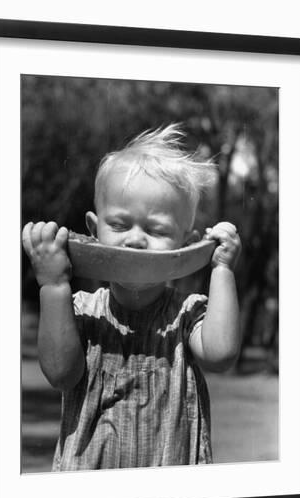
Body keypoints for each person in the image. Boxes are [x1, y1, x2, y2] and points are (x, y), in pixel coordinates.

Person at [22, 124, 242, 471]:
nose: (136, 240)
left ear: (186, 245)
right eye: (121, 226)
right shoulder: (80, 310)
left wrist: (222, 269)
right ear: (95, 232)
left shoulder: (187, 315)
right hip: (88, 493)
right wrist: (53, 286)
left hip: (171, 491)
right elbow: (61, 374)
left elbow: (220, 354)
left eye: (156, 230)